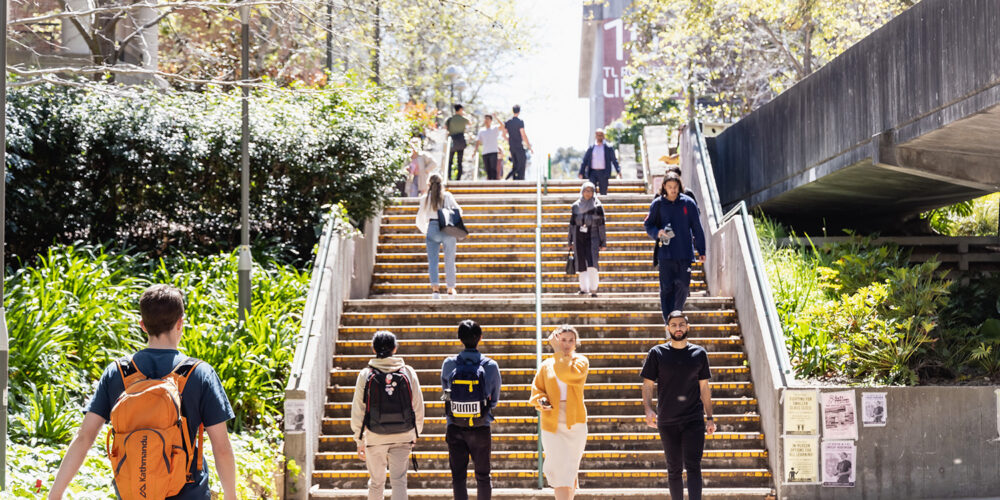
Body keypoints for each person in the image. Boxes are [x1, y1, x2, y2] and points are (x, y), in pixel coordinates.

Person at [48, 285, 237, 500]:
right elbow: (221, 447)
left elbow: (85, 437)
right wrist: (231, 496)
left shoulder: (118, 372)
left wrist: (55, 494)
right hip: (188, 493)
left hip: (134, 491)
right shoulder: (200, 373)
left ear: (143, 326)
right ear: (180, 323)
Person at [641, 310, 716, 500]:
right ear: (668, 328)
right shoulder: (657, 353)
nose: (678, 328)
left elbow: (704, 388)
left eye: (681, 324)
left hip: (693, 419)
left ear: (688, 327)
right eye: (674, 325)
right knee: (674, 469)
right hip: (667, 420)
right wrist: (648, 409)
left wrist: (710, 418)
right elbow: (648, 385)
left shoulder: (699, 353)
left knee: (693, 466)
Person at [351, 331, 425, 500]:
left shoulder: (366, 374)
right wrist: (415, 433)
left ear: (373, 348)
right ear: (395, 348)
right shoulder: (408, 372)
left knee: (376, 483)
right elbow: (418, 406)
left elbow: (358, 410)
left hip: (374, 435)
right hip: (403, 434)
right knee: (399, 481)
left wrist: (359, 439)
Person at [440, 320, 502, 500]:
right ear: (480, 338)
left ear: (459, 338)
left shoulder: (449, 364)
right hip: (481, 425)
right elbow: (495, 398)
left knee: (458, 477)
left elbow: (446, 393)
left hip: (455, 425)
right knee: (483, 475)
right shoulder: (490, 365)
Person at [529, 325, 589, 500]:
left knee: (570, 469)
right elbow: (536, 390)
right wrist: (541, 401)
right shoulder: (546, 365)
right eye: (562, 340)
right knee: (559, 469)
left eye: (571, 340)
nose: (567, 344)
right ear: (555, 340)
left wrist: (557, 352)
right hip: (551, 421)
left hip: (575, 422)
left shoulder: (581, 362)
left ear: (576, 343)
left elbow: (568, 375)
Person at [644, 173, 706, 322]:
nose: (672, 190)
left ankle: (676, 313)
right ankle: (669, 322)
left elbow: (697, 228)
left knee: (684, 286)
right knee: (666, 289)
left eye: (675, 187)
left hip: (684, 253)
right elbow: (648, 224)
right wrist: (656, 232)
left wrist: (701, 250)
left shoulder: (688, 203)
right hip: (665, 254)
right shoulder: (658, 204)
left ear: (679, 186)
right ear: (664, 186)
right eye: (669, 187)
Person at [416, 173, 462, 298]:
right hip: (447, 228)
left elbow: (419, 218)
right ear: (442, 184)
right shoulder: (447, 196)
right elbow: (459, 211)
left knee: (433, 261)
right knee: (450, 260)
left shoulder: (425, 198)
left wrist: (426, 230)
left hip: (432, 227)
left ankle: (435, 291)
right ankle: (451, 289)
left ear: (429, 184)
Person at [569, 181, 606, 297]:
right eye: (586, 190)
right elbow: (571, 225)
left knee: (592, 263)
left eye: (590, 191)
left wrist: (603, 241)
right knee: (581, 263)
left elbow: (602, 226)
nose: (588, 193)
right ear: (582, 191)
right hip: (578, 236)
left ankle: (593, 289)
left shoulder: (597, 207)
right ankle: (583, 289)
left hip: (593, 237)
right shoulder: (575, 206)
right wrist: (570, 241)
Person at [578, 129, 621, 195]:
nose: (599, 137)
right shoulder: (591, 148)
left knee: (603, 192)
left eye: (601, 135)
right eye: (598, 135)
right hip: (592, 173)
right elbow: (585, 160)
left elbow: (614, 160)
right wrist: (581, 172)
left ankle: (601, 205)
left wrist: (618, 171)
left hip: (604, 173)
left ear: (603, 136)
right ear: (595, 136)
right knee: (591, 192)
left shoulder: (608, 148)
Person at [503, 105, 533, 180]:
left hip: (512, 147)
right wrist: (529, 146)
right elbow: (523, 135)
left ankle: (511, 179)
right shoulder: (520, 122)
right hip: (518, 146)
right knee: (521, 164)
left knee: (515, 165)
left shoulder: (508, 122)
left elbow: (503, 135)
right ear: (519, 111)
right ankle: (519, 180)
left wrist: (509, 140)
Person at [474, 114, 504, 180]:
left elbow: (502, 126)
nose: (486, 120)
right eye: (485, 119)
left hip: (493, 152)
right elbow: (478, 141)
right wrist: (475, 151)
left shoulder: (494, 128)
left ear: (491, 120)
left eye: (488, 119)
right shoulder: (481, 131)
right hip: (485, 153)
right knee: (488, 170)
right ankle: (490, 186)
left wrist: (496, 117)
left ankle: (495, 185)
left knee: (493, 169)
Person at [445, 104, 471, 181]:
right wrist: (465, 115)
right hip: (460, 140)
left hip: (452, 140)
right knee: (459, 161)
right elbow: (470, 123)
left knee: (450, 160)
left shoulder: (450, 119)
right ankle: (458, 178)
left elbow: (446, 128)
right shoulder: (464, 119)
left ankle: (448, 176)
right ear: (460, 109)